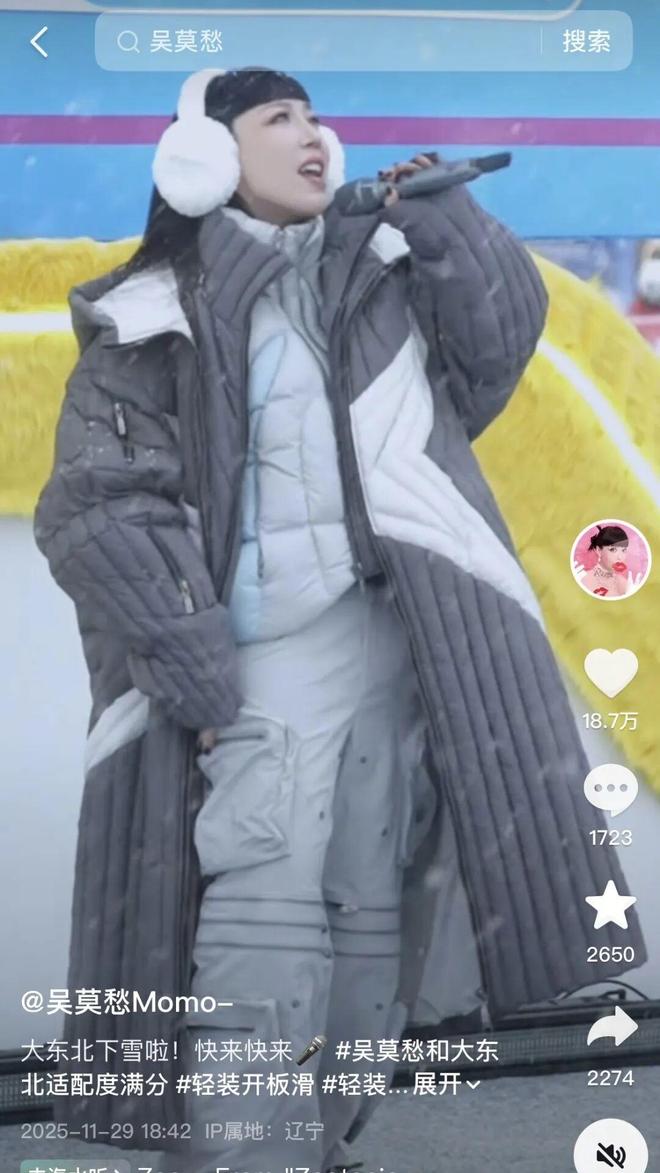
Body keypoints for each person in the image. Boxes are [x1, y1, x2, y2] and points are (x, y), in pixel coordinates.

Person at [33, 67, 647, 1173]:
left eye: (317, 117)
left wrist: (445, 218)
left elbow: (496, 348)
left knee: (374, 926)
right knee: (262, 925)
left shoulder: (383, 273)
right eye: (280, 119)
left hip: (398, 645)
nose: (313, 135)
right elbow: (98, 507)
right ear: (207, 157)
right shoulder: (148, 313)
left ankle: (320, 1147)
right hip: (257, 660)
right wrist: (195, 665)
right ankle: (234, 1159)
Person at [574, 523, 643, 598]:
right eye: (613, 549)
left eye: (623, 550)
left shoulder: (625, 584)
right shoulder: (582, 578)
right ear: (599, 550)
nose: (620, 557)